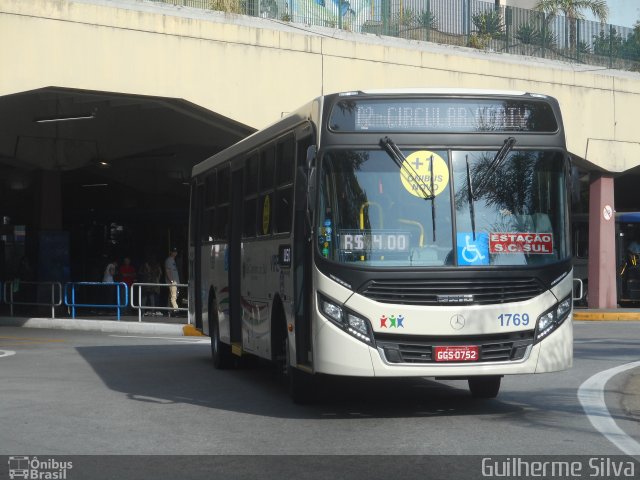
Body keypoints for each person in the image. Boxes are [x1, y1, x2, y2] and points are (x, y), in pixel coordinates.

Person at [164, 247, 180, 313]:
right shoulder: (169, 260)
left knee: (171, 296)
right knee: (174, 297)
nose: (175, 253)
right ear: (171, 252)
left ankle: (169, 311)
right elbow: (167, 271)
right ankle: (176, 311)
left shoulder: (173, 260)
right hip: (172, 282)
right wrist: (171, 281)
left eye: (176, 251)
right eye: (173, 251)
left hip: (175, 281)